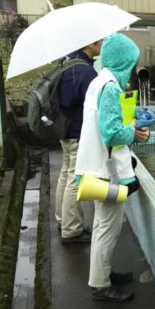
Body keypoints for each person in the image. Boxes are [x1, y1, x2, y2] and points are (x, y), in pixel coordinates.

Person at [75, 33, 150, 302]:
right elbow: (112, 133)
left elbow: (111, 121)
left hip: (96, 166)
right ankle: (100, 285)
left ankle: (103, 272)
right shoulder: (110, 88)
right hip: (105, 172)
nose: (133, 68)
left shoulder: (100, 81)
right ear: (123, 61)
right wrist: (134, 132)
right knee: (108, 226)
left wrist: (131, 119)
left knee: (102, 224)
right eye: (131, 62)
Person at [55, 40, 102, 244]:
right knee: (75, 179)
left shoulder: (68, 60)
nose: (103, 44)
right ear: (91, 43)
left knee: (66, 174)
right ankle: (71, 230)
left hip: (64, 128)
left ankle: (62, 219)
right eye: (101, 41)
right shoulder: (85, 71)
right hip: (77, 131)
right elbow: (96, 104)